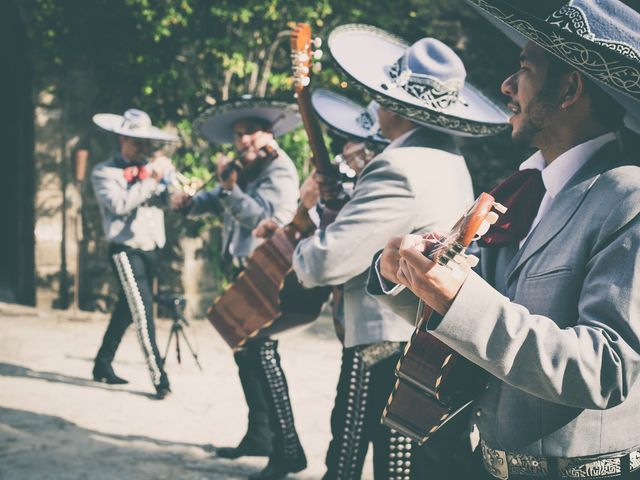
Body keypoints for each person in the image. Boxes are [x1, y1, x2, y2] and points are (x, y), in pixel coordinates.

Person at [372, 1, 640, 478]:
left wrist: (458, 298)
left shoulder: (627, 196)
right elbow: (468, 319)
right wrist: (407, 274)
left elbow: (607, 368)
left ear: (570, 89)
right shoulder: (518, 191)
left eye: (524, 70)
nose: (506, 86)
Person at [290, 25, 509, 480]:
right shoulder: (446, 155)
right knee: (398, 463)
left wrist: (301, 244)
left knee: (350, 459)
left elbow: (327, 261)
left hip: (385, 337)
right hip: (417, 336)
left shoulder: (398, 166)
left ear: (396, 106)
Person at [170, 97, 306, 480]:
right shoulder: (245, 170)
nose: (244, 140)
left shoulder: (279, 169)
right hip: (243, 271)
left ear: (269, 133)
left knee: (262, 355)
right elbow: (215, 201)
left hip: (268, 273)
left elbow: (263, 219)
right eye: (238, 135)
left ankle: (287, 449)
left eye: (251, 133)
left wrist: (230, 189)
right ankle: (260, 436)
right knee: (245, 354)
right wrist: (188, 204)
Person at [91, 108, 179, 399]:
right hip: (125, 249)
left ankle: (102, 364)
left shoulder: (149, 170)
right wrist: (150, 180)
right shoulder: (105, 172)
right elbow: (119, 205)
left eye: (145, 143)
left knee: (126, 310)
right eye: (135, 142)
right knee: (143, 314)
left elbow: (169, 202)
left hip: (152, 247)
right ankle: (159, 378)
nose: (142, 148)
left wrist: (170, 182)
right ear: (121, 140)